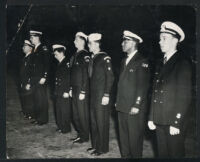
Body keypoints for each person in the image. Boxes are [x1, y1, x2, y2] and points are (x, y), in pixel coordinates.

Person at [148, 21, 192, 157]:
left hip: (172, 122)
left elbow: (184, 96)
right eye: (160, 38)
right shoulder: (160, 63)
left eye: (164, 39)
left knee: (175, 154)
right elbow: (155, 92)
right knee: (162, 154)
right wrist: (151, 117)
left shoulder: (182, 63)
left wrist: (176, 122)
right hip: (160, 119)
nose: (160, 42)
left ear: (175, 41)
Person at [115, 30, 150, 158]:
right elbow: (122, 84)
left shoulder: (141, 61)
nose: (122, 43)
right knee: (123, 137)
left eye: (125, 41)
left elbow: (143, 86)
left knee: (134, 139)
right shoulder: (124, 60)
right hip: (122, 105)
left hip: (133, 107)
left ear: (133, 43)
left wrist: (137, 104)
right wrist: (117, 100)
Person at [87, 33, 114, 156]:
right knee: (93, 121)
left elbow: (110, 77)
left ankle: (103, 148)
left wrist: (107, 94)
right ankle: (96, 146)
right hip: (93, 95)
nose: (88, 46)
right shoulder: (93, 58)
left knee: (101, 121)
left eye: (90, 44)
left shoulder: (104, 58)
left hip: (101, 95)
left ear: (97, 44)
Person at [70, 32, 90, 143]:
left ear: (82, 41)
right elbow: (72, 74)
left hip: (81, 89)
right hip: (75, 88)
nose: (74, 42)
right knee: (75, 113)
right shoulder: (75, 55)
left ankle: (84, 136)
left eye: (76, 40)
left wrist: (83, 90)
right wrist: (71, 88)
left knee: (82, 114)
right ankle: (80, 134)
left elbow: (86, 74)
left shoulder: (85, 55)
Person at [29, 29, 50, 125]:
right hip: (35, 78)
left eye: (32, 37)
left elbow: (47, 63)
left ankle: (43, 119)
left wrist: (44, 76)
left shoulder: (43, 48)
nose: (30, 39)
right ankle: (38, 118)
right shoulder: (34, 49)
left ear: (37, 38)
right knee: (36, 99)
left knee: (41, 99)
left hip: (40, 78)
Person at [52, 44, 72, 133]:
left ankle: (66, 128)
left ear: (61, 53)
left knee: (64, 110)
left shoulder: (67, 63)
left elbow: (69, 78)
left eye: (56, 54)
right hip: (59, 91)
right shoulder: (60, 63)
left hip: (64, 91)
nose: (55, 56)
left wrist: (67, 90)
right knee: (59, 109)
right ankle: (61, 126)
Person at [19, 40, 35, 119]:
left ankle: (31, 114)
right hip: (23, 81)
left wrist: (29, 82)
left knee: (29, 98)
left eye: (25, 46)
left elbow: (32, 72)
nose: (23, 48)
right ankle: (26, 112)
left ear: (30, 48)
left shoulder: (31, 58)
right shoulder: (25, 58)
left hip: (28, 81)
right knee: (25, 97)